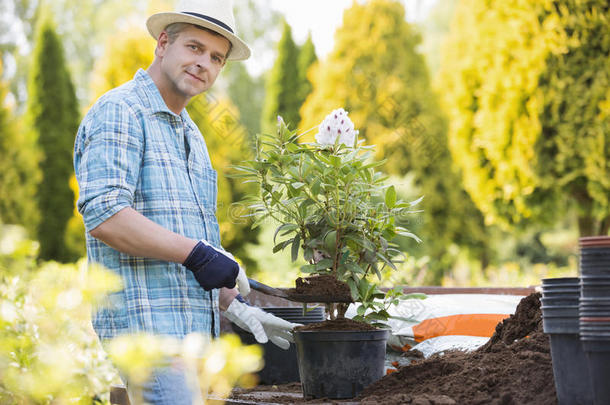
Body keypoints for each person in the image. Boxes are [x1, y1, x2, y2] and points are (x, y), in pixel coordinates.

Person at [73, 1, 297, 403]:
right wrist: (198, 254)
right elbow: (104, 214)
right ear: (163, 43)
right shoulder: (121, 111)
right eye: (194, 48)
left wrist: (233, 302)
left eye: (216, 57)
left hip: (193, 334)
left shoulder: (191, 134)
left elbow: (190, 239)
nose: (203, 63)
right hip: (147, 331)